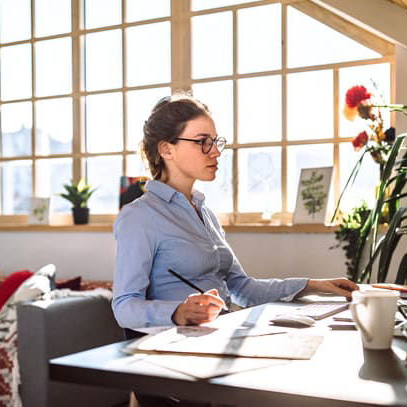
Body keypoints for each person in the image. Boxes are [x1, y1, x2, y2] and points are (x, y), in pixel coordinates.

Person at [112, 93, 358, 330]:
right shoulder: (140, 217)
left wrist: (314, 285)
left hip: (222, 333)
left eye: (215, 142)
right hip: (176, 347)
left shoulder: (204, 212)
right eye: (202, 142)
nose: (216, 151)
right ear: (166, 150)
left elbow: (244, 288)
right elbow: (124, 306)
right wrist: (177, 312)